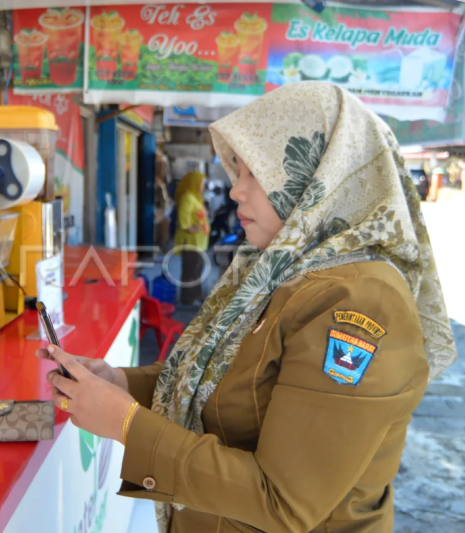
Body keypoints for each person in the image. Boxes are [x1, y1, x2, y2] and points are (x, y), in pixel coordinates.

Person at [35, 82, 457, 533]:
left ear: (318, 173)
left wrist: (126, 424)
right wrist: (119, 381)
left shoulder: (357, 301)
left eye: (254, 172)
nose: (236, 191)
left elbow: (283, 502)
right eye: (237, 172)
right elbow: (219, 376)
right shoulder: (279, 269)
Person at [173, 170, 210, 304]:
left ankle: (197, 294)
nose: (203, 186)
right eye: (201, 183)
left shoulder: (195, 196)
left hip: (198, 242)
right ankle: (187, 299)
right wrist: (189, 227)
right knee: (190, 270)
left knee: (197, 268)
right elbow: (183, 215)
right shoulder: (187, 197)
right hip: (190, 241)